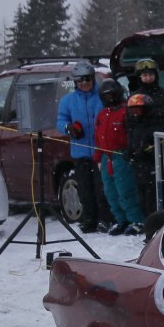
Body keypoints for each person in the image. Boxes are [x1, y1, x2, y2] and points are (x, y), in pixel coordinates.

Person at [56, 64, 105, 232]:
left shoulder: (101, 97)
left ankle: (105, 218)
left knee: (101, 187)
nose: (84, 84)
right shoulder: (68, 100)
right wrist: (68, 128)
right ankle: (89, 219)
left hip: (100, 151)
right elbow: (61, 120)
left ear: (92, 79)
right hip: (80, 152)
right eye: (80, 81)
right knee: (84, 188)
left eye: (87, 80)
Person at [92, 80, 141, 235]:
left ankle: (136, 220)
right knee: (110, 192)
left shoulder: (125, 111)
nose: (110, 99)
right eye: (106, 96)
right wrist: (98, 158)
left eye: (112, 95)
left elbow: (132, 133)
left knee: (125, 189)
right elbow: (98, 137)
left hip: (121, 155)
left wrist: (131, 151)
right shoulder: (102, 114)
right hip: (106, 156)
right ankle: (121, 220)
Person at [124, 91, 161, 218]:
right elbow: (133, 145)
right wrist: (129, 152)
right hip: (140, 171)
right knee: (142, 201)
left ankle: (154, 224)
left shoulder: (155, 126)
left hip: (153, 171)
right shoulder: (133, 127)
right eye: (132, 111)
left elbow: (160, 145)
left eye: (138, 110)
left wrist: (146, 150)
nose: (135, 114)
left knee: (152, 202)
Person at [131, 57, 164, 129]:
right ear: (140, 77)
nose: (148, 78)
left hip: (163, 134)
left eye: (151, 74)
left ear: (155, 75)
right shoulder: (134, 97)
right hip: (142, 133)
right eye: (145, 75)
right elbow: (130, 122)